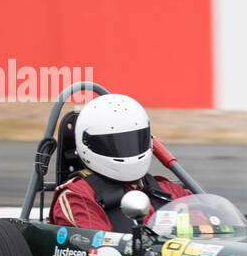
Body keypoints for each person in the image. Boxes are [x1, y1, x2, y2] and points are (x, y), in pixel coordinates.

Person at [50, 93, 191, 232]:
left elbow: (208, 230)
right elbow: (98, 250)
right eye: (114, 144)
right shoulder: (77, 197)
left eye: (133, 141)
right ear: (88, 143)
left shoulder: (168, 190)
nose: (127, 151)